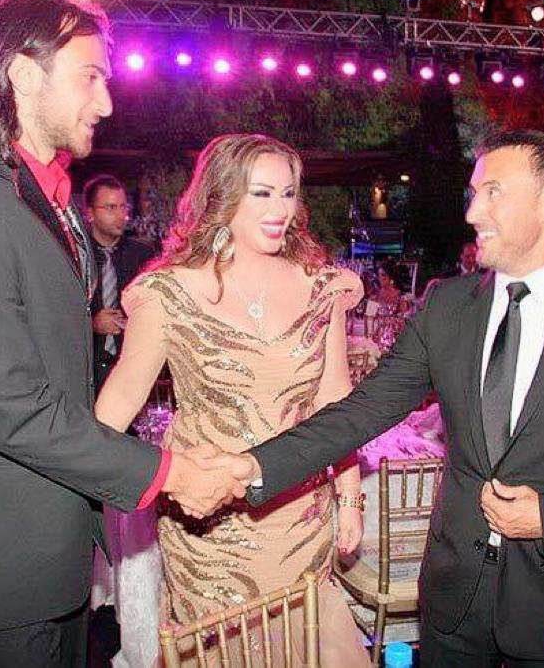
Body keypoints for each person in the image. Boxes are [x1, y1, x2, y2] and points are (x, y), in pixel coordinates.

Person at [216, 129, 544, 665]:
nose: (472, 212)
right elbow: (362, 411)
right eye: (474, 193)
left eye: (492, 192)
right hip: (453, 601)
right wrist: (252, 467)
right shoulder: (448, 306)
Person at [0, 0, 243, 667]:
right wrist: (166, 472)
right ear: (23, 74)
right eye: (90, 76)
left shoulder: (37, 194)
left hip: (44, 544)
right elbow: (10, 404)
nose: (106, 102)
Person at [95, 133, 369, 666]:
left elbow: (336, 403)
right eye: (261, 193)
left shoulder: (322, 287)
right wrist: (75, 484)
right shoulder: (169, 292)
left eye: (288, 193)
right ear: (222, 196)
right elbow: (120, 402)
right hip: (209, 525)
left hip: (300, 517)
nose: (279, 209)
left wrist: (351, 498)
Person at [83, 174, 155, 391]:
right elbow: (57, 314)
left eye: (123, 207)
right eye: (110, 208)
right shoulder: (77, 256)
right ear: (90, 213)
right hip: (87, 371)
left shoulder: (142, 255)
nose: (121, 215)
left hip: (131, 368)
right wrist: (91, 324)